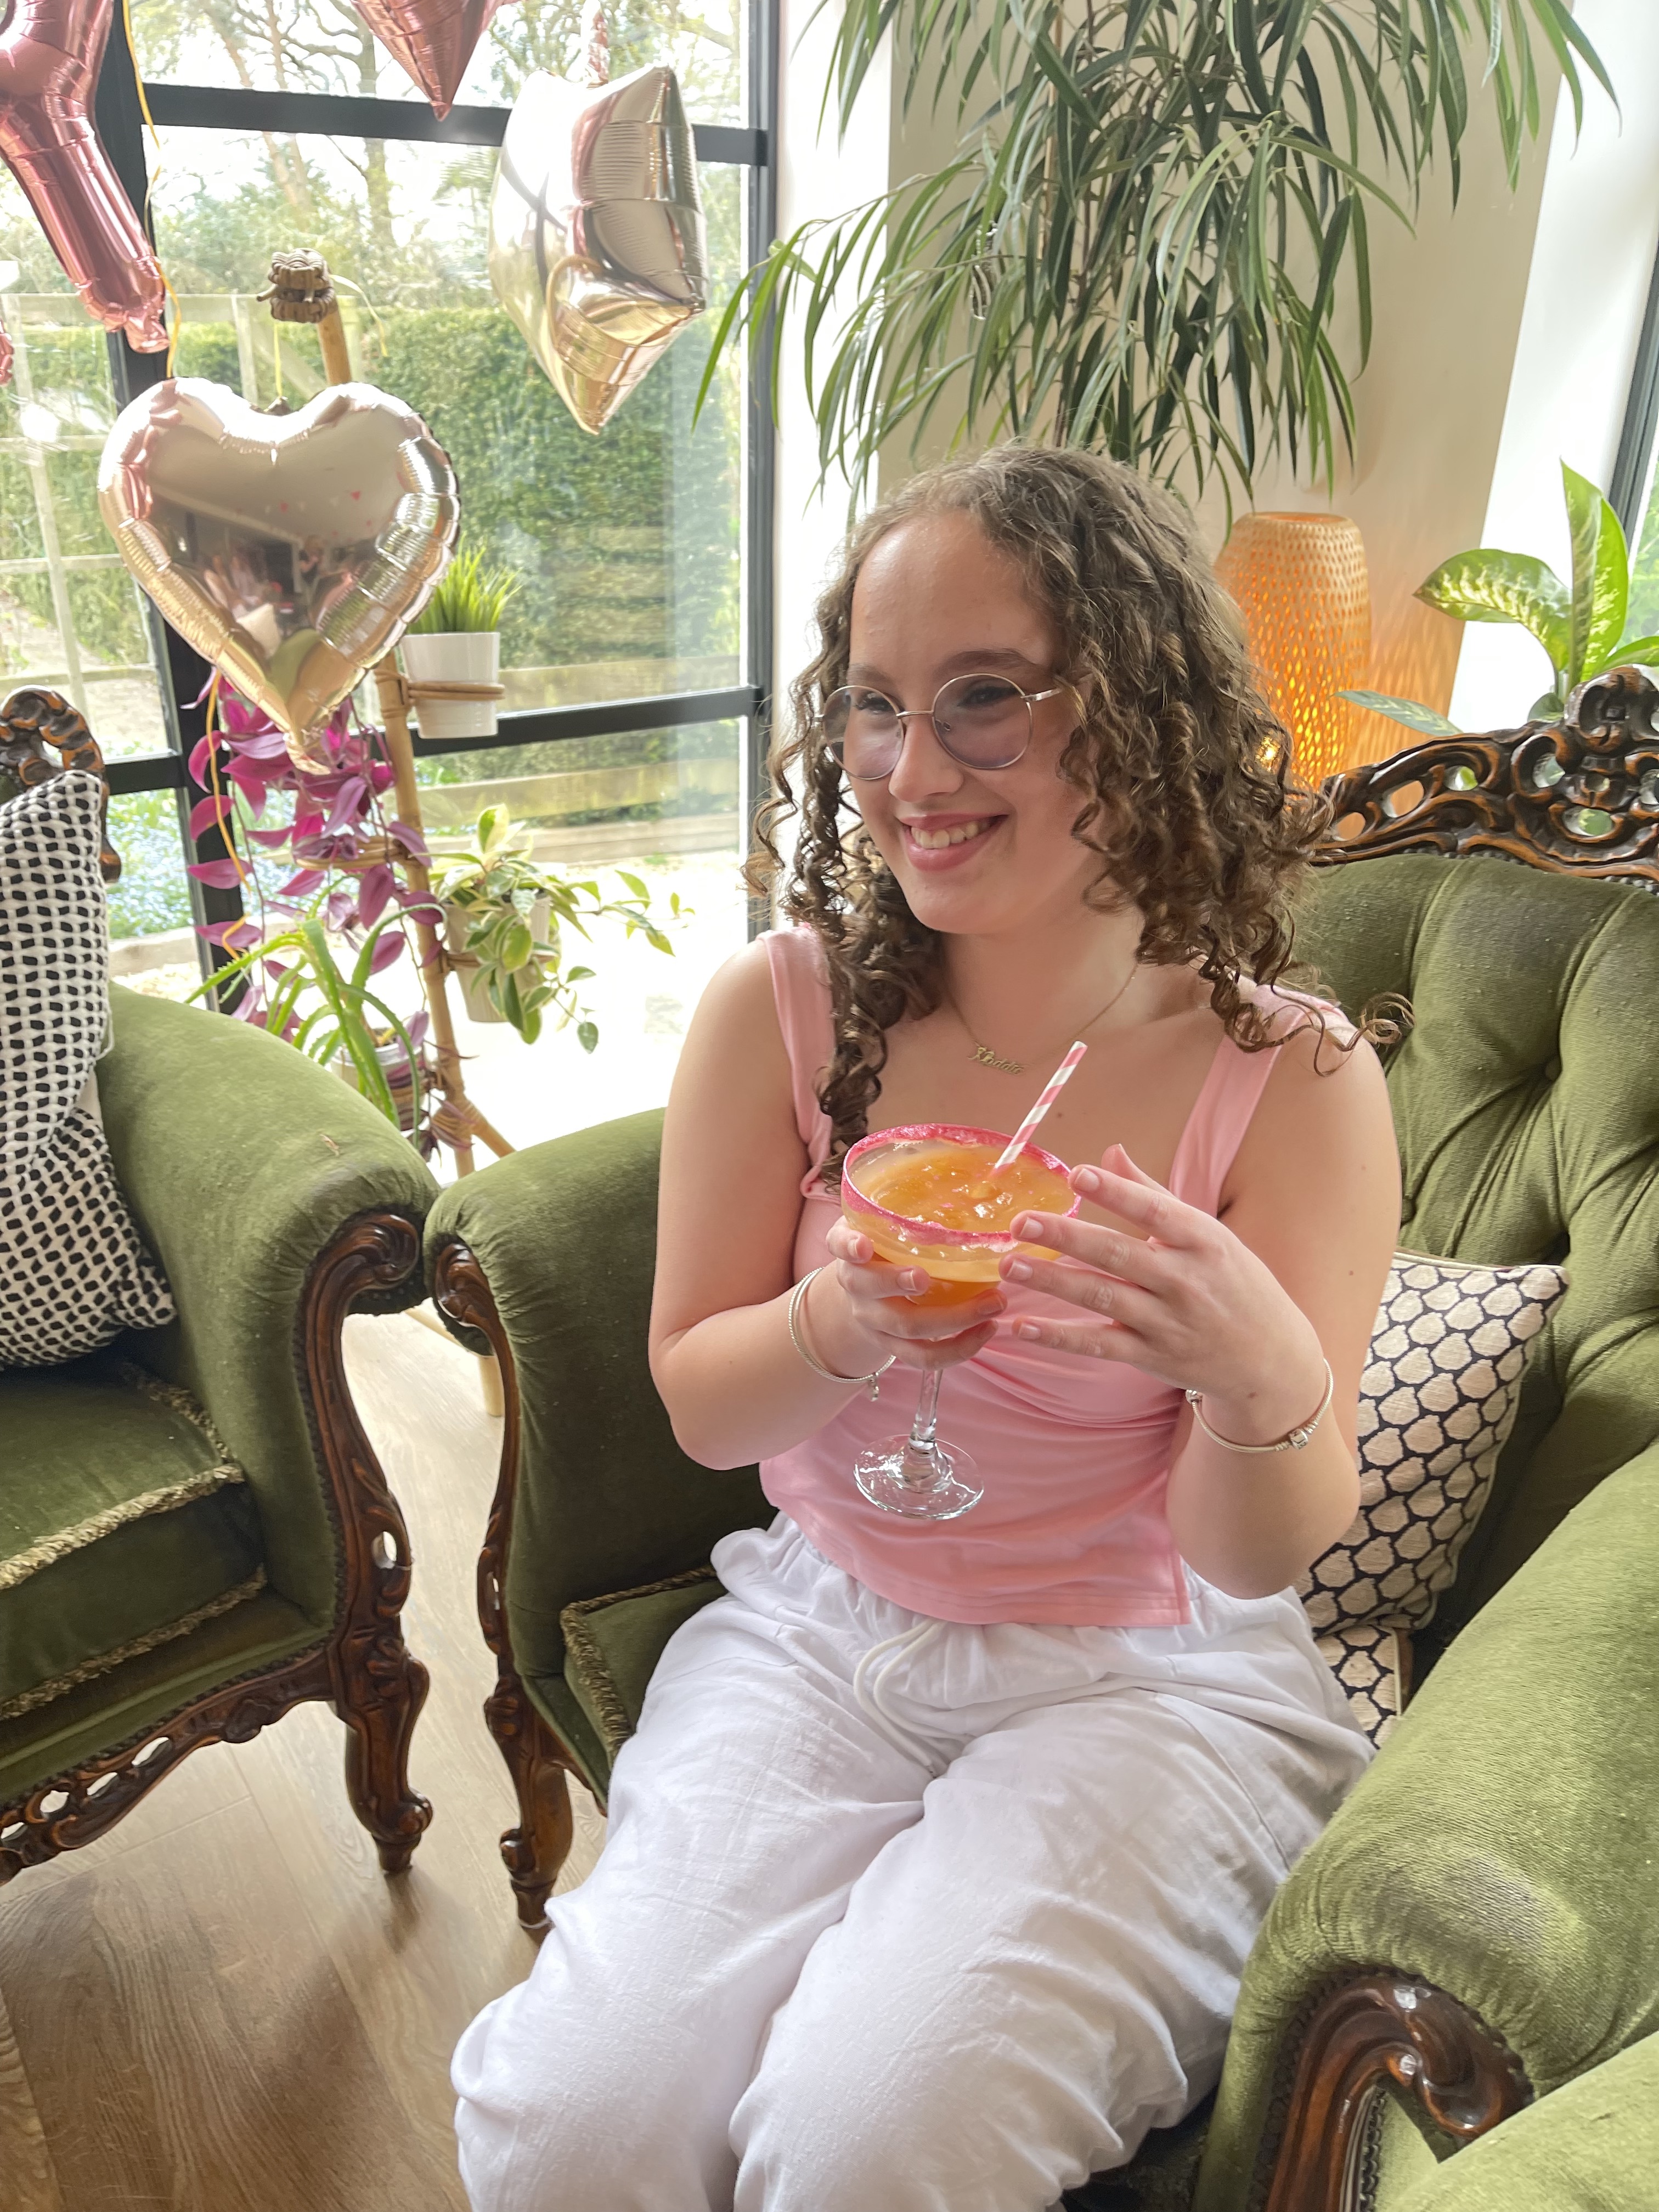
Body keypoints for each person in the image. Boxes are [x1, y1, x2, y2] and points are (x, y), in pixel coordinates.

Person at [450, 445, 1401, 2212]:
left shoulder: (1294, 1082)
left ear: (1134, 712)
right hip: (823, 1633)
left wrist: (1252, 1369)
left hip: (1150, 1674)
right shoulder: (792, 1010)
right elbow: (706, 1412)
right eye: (877, 707)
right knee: (572, 2124)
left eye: (986, 703)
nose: (911, 771)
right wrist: (843, 1320)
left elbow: (1247, 1553)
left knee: (875, 2141)